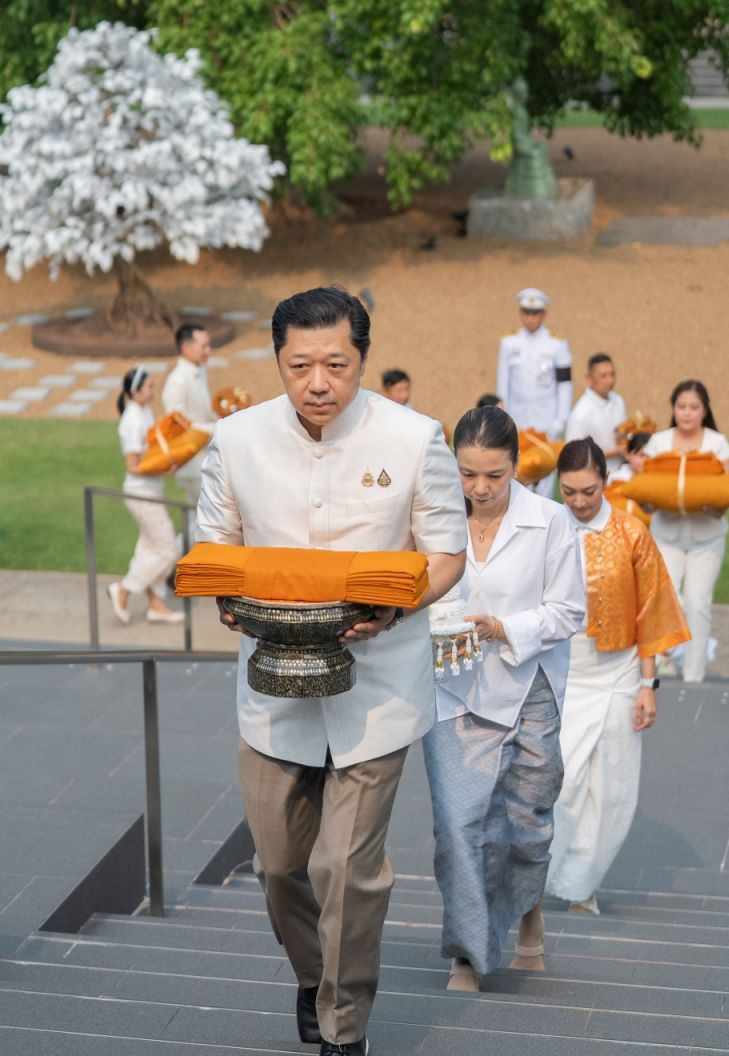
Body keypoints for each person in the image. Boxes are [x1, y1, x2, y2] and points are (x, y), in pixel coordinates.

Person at [196, 286, 467, 1056]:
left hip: (378, 686)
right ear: (278, 361)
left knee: (347, 870)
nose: (319, 382)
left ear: (362, 360)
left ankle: (343, 1028)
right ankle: (314, 976)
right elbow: (215, 542)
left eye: (336, 365)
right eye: (300, 365)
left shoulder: (414, 438)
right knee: (281, 866)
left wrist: (395, 605)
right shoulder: (237, 439)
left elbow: (447, 553)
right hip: (273, 685)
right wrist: (226, 594)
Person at [422, 406, 584, 992]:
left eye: (494, 475)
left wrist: (503, 628)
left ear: (517, 465)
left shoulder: (550, 521)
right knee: (459, 824)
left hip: (528, 687)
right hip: (451, 686)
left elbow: (569, 611)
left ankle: (527, 913)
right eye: (468, 474)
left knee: (525, 823)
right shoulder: (432, 520)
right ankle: (468, 953)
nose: (480, 488)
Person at [546, 439, 689, 915]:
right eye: (569, 491)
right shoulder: (545, 529)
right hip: (562, 672)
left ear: (606, 482)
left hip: (618, 674)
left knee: (611, 788)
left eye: (589, 491)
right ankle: (540, 874)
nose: (579, 501)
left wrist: (649, 685)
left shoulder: (632, 532)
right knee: (561, 782)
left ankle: (582, 885)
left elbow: (652, 611)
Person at [644, 381, 729, 684]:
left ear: (704, 410)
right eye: (681, 406)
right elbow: (646, 491)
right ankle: (660, 664)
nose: (687, 413)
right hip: (666, 536)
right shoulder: (658, 443)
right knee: (665, 600)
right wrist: (650, 500)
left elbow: (727, 494)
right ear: (673, 408)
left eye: (694, 407)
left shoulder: (718, 444)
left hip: (706, 539)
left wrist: (713, 505)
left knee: (698, 603)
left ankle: (694, 675)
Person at [107, 367, 184, 625]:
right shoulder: (132, 421)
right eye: (149, 387)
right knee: (167, 550)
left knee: (149, 548)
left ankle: (156, 605)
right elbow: (133, 465)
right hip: (142, 494)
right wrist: (163, 468)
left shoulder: (145, 412)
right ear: (136, 391)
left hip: (152, 491)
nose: (153, 391)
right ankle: (124, 589)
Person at [496, 287, 572, 497]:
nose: (530, 318)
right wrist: (503, 416)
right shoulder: (509, 343)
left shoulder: (557, 343)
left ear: (543, 313)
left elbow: (564, 384)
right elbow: (503, 383)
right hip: (518, 419)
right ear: (520, 312)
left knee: (545, 474)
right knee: (518, 472)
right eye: (526, 312)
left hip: (546, 420)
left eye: (535, 313)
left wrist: (561, 419)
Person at [162, 322, 217, 513]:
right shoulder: (177, 382)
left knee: (197, 517)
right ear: (187, 348)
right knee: (208, 516)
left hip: (205, 459)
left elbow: (205, 412)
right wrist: (217, 428)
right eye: (204, 346)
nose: (208, 351)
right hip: (193, 465)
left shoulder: (199, 370)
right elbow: (178, 426)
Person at [565, 352, 627, 474]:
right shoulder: (580, 413)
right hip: (596, 476)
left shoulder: (618, 401)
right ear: (589, 378)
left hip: (622, 472)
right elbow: (575, 454)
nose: (610, 381)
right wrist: (616, 451)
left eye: (612, 374)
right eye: (603, 376)